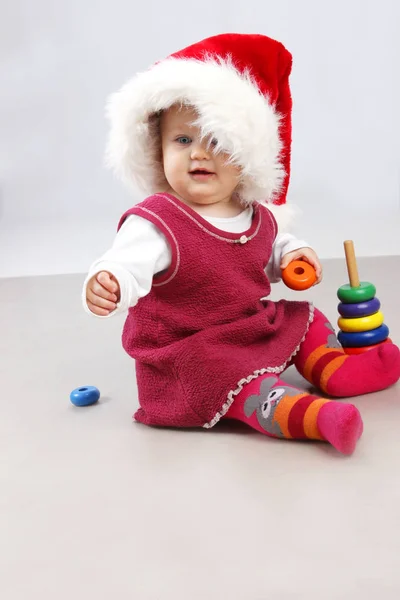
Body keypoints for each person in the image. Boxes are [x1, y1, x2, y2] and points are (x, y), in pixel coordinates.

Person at [83, 33, 400, 455]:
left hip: (249, 324)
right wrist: (110, 281)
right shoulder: (159, 220)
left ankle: (337, 370)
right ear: (157, 150)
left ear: (249, 155)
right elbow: (125, 262)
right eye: (182, 140)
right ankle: (311, 417)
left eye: (217, 142)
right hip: (190, 349)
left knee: (303, 320)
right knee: (235, 380)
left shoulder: (254, 214)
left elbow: (270, 248)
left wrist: (292, 257)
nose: (198, 154)